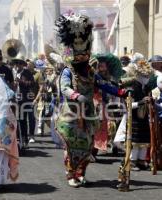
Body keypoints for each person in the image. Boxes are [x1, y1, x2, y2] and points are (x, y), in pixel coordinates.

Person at [55, 14, 128, 187]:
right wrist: (75, 95)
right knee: (72, 148)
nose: (82, 59)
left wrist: (120, 92)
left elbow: (104, 84)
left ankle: (80, 173)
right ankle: (71, 174)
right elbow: (64, 88)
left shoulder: (89, 73)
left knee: (87, 147)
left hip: (88, 116)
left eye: (84, 55)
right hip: (71, 116)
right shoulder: (68, 72)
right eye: (78, 55)